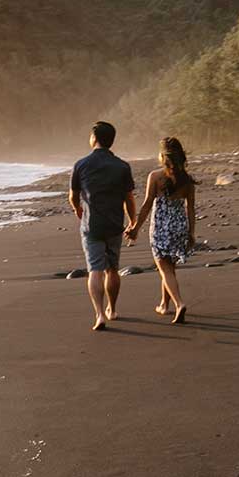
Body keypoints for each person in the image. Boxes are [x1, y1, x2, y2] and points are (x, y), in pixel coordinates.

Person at [68, 120, 136, 331]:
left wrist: (79, 210)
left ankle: (99, 314)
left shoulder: (81, 164)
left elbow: (73, 196)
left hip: (92, 225)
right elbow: (129, 199)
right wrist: (132, 222)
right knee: (112, 270)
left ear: (94, 138)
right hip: (115, 223)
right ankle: (112, 309)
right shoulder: (122, 166)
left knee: (95, 271)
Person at [126, 135, 196, 324]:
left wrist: (135, 228)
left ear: (163, 156)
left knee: (164, 268)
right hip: (180, 226)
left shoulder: (155, 177)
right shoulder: (187, 180)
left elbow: (147, 205)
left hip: (161, 228)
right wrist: (191, 233)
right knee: (169, 267)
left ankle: (179, 303)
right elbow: (191, 209)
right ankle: (164, 305)